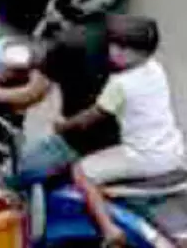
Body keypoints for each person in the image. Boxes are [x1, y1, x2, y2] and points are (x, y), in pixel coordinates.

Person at [0, 0, 120, 191]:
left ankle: (26, 223)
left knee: (6, 176)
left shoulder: (68, 43)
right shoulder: (119, 28)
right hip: (123, 133)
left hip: (82, 141)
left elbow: (32, 95)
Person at [58, 15, 184, 246]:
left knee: (81, 171)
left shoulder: (120, 84)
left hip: (144, 158)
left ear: (142, 52)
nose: (114, 51)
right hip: (173, 152)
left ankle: (109, 229)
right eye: (113, 44)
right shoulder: (156, 69)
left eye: (123, 48)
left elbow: (89, 118)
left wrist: (63, 125)